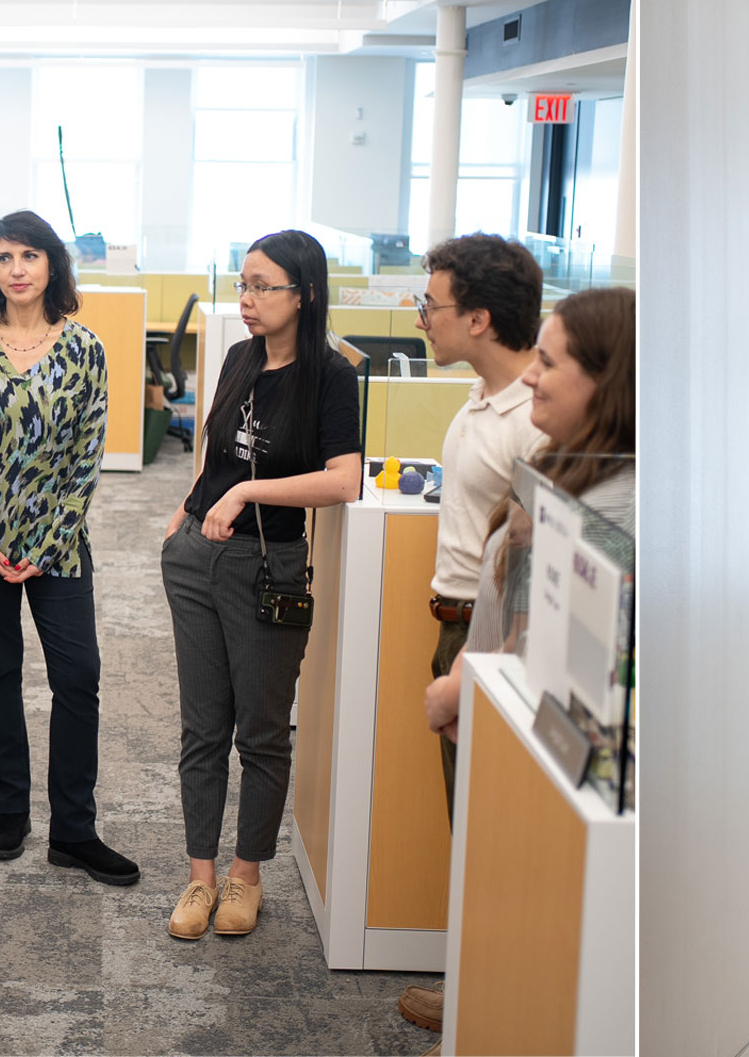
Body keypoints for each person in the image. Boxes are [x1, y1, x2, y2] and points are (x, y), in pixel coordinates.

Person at [415, 284, 635, 1057]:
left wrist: (462, 687)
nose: (532, 376)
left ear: (604, 382)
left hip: (547, 743)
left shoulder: (611, 510)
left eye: (550, 362)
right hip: (497, 708)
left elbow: (558, 661)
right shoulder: (563, 469)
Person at [161, 229, 363, 940]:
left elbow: (344, 480)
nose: (245, 300)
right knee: (202, 727)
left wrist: (247, 491)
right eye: (242, 284)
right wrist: (185, 512)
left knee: (262, 732)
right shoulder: (240, 357)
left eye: (260, 286)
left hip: (266, 567)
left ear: (302, 294)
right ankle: (200, 876)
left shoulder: (330, 375)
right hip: (196, 556)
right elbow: (216, 454)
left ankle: (246, 875)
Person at [0, 211, 135, 884]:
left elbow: (86, 457)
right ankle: (10, 811)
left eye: (29, 256)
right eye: (3, 257)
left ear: (52, 265)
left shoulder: (84, 349)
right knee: (0, 672)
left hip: (59, 544)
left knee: (78, 676)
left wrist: (47, 544)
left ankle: (74, 829)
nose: (16, 269)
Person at [396, 233, 548, 1040]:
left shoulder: (534, 417)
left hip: (485, 639)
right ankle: (473, 988)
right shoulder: (483, 398)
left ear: (480, 318)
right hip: (455, 626)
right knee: (470, 824)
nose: (423, 318)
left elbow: (535, 562)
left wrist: (481, 664)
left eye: (434, 305)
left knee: (490, 832)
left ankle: (483, 1009)